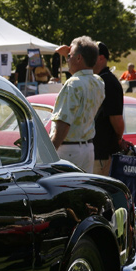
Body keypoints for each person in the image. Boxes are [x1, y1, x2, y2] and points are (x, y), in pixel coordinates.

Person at [50, 37, 105, 172]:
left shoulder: (73, 84)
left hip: (68, 150)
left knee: (62, 190)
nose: (67, 59)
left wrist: (49, 152)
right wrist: (73, 51)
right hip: (87, 148)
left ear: (79, 58)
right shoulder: (98, 81)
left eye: (70, 56)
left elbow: (64, 123)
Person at [91, 42, 125, 176]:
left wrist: (118, 138)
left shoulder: (108, 82)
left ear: (101, 58)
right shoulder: (94, 80)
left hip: (102, 152)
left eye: (91, 55)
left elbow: (117, 120)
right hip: (93, 151)